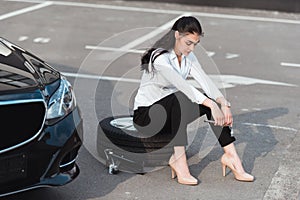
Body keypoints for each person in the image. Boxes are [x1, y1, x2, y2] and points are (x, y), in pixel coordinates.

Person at [132, 16, 254, 185]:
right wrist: (210, 103)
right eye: (188, 43)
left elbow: (206, 82)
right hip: (146, 117)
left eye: (195, 44)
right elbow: (183, 87)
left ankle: (231, 158)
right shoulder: (159, 57)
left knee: (210, 102)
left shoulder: (188, 57)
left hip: (170, 113)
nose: (191, 49)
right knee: (182, 98)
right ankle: (179, 162)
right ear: (177, 35)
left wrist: (222, 103)